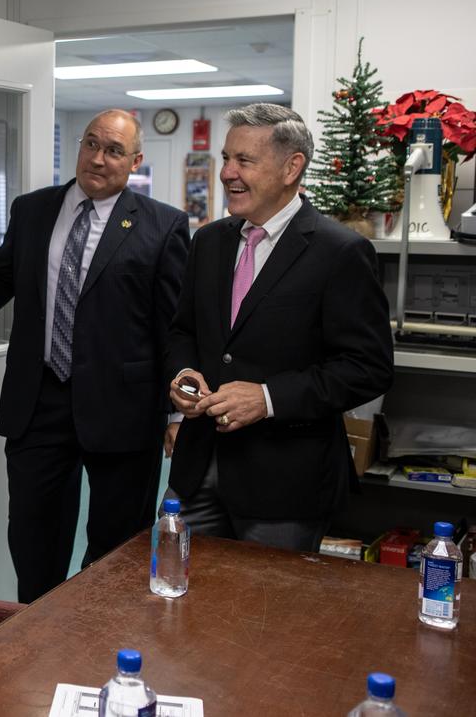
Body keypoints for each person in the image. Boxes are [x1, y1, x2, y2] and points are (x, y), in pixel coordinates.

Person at [0, 109, 189, 603]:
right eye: (91, 144)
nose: (98, 158)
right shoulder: (32, 210)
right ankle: (36, 646)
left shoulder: (163, 226)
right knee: (33, 542)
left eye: (114, 151)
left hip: (125, 411)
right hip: (38, 403)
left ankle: (103, 645)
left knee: (116, 551)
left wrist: (177, 410)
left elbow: (171, 325)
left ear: (135, 161)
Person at [165, 103, 393, 550]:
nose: (227, 172)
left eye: (243, 161)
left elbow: (368, 367)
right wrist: (182, 375)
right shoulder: (209, 241)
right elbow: (182, 330)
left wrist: (268, 398)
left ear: (292, 167)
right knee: (176, 603)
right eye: (226, 158)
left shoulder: (340, 252)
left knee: (264, 618)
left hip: (284, 488)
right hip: (195, 472)